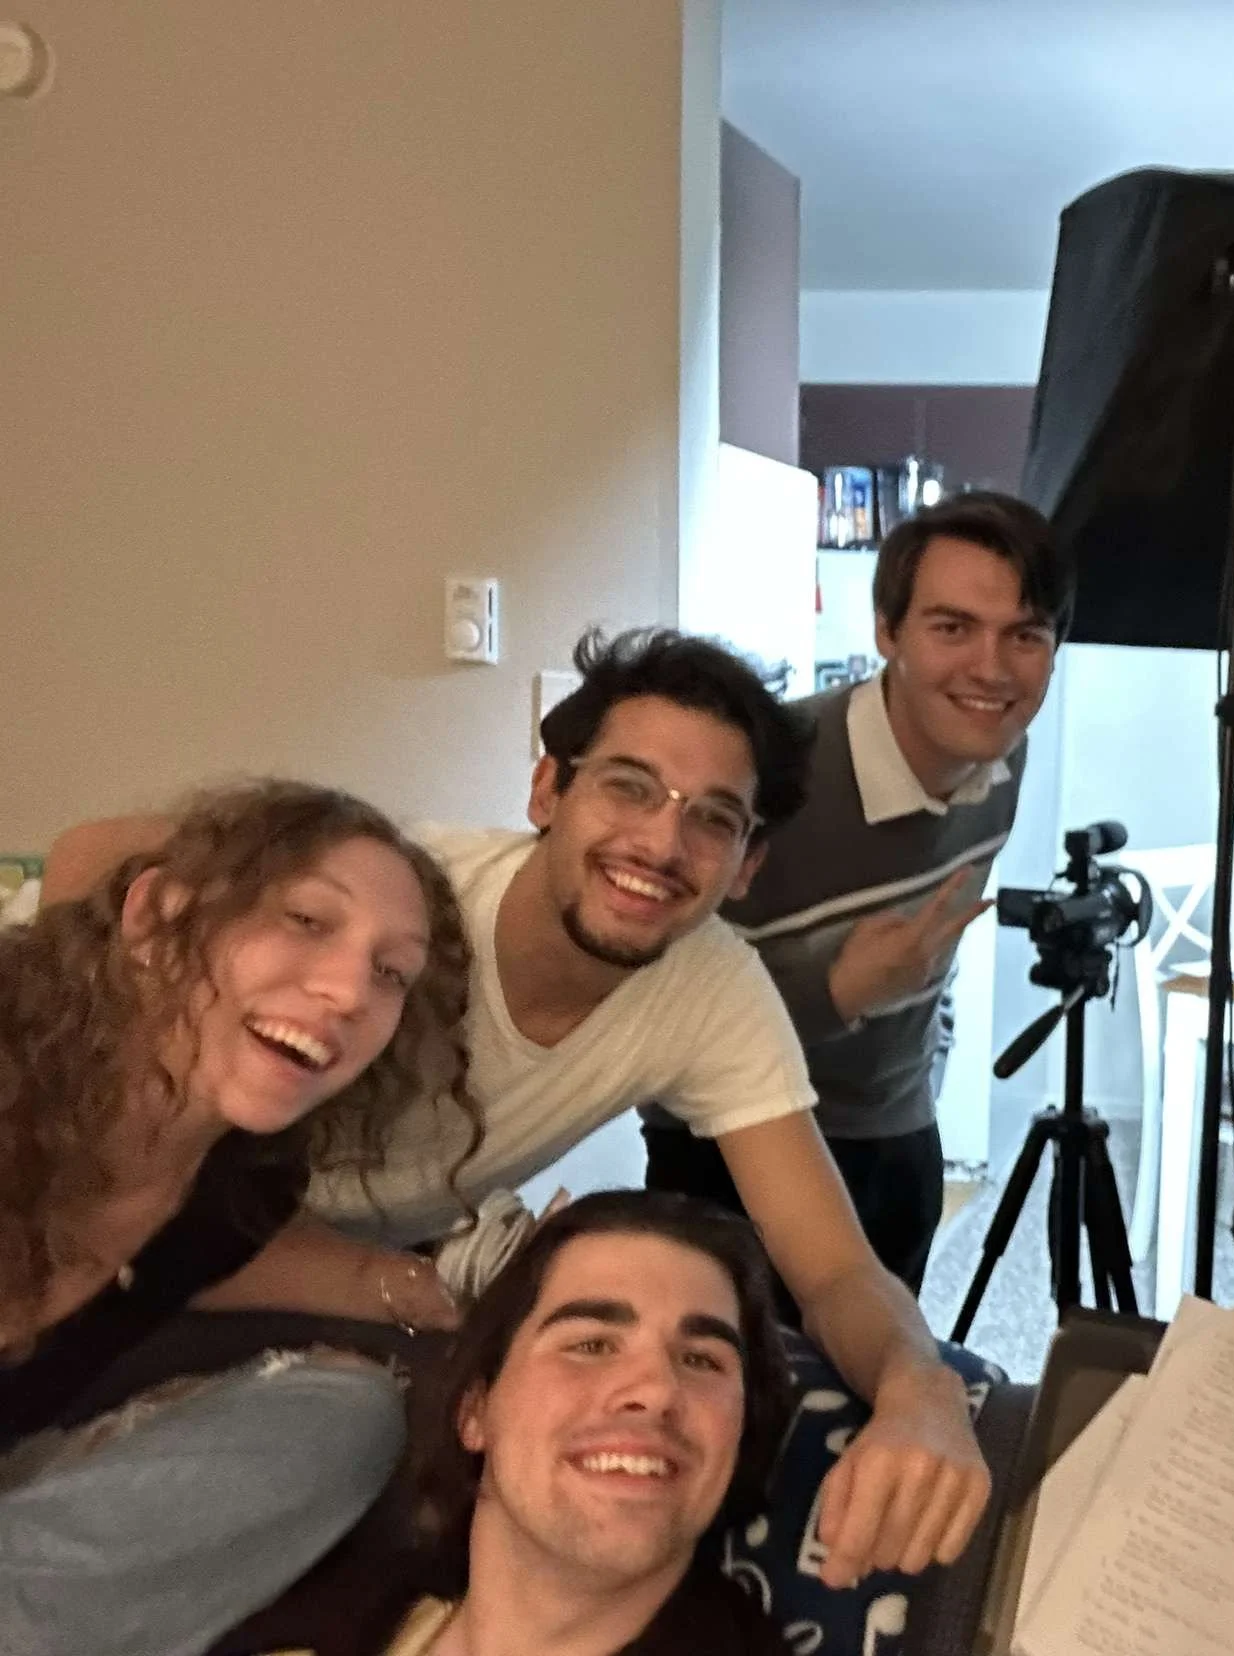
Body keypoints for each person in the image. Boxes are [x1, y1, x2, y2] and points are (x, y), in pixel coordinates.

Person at [40, 627, 992, 1588]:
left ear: (745, 864)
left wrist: (925, 1391)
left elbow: (832, 1270)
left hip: (238, 1253)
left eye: (713, 819)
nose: (662, 843)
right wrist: (102, 1081)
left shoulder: (710, 992)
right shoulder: (404, 901)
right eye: (628, 785)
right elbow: (91, 853)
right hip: (101, 1206)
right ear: (547, 793)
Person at [0, 780, 477, 1656]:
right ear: (153, 915)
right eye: (306, 920)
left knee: (351, 1409)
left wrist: (452, 1299)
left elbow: (269, 1270)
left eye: (390, 972)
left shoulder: (237, 1189)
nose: (346, 991)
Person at [644, 490, 1068, 1302]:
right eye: (952, 628)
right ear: (885, 631)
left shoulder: (1004, 756)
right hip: (730, 1151)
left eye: (1026, 636)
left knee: (880, 1389)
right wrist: (835, 991)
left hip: (898, 1130)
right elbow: (652, 1001)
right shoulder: (769, 773)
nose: (992, 668)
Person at [217, 1190, 798, 1656]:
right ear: (475, 1411)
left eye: (702, 1360)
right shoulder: (299, 1615)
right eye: (592, 1344)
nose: (656, 1390)